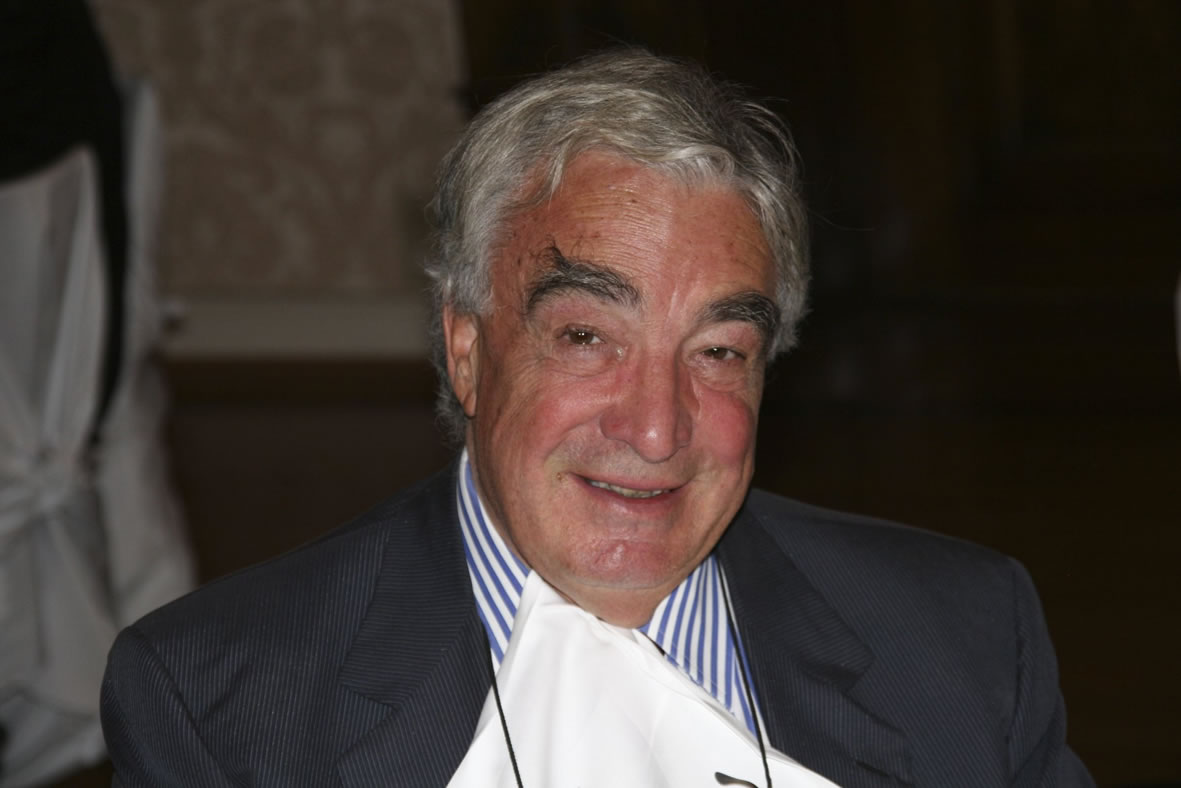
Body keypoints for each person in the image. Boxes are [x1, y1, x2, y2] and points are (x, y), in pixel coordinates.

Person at [100, 50, 1093, 786]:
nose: (657, 430)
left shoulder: (961, 639)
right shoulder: (222, 704)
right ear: (466, 349)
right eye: (587, 337)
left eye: (717, 352)